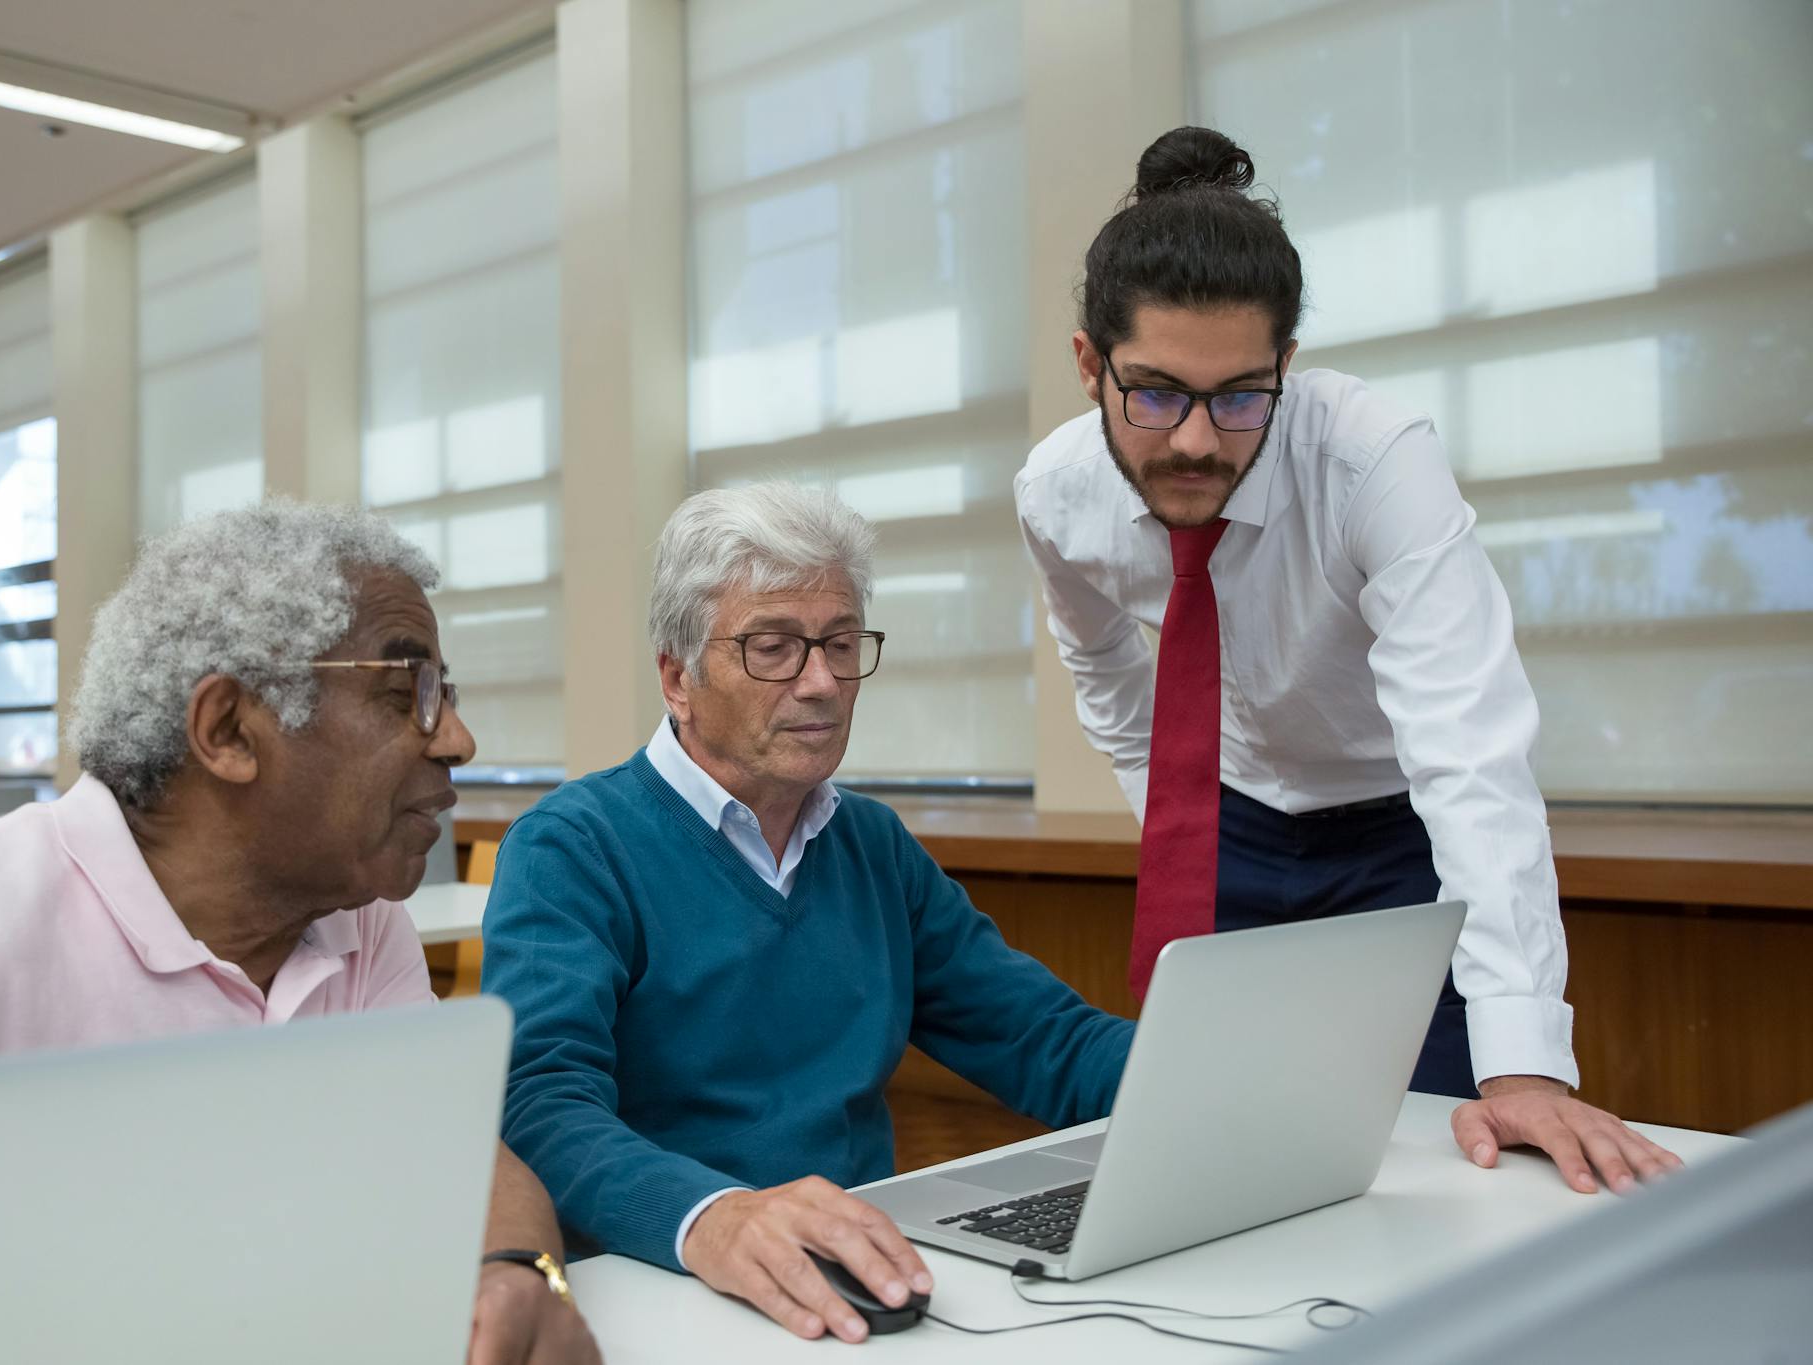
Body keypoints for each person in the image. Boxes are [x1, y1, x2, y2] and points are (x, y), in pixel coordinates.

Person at [0, 500, 599, 1365]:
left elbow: (462, 1156)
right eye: (406, 694)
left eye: (445, 696)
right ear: (229, 730)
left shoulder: (359, 919)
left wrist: (519, 1273)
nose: (456, 738)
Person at [1015, 125, 1680, 1195]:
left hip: (1398, 836)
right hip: (1223, 818)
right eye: (1152, 393)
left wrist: (1523, 1068)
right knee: (1220, 1155)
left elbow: (1467, 751)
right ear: (1089, 364)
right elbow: (1103, 673)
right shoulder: (1055, 493)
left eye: (1238, 395)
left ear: (1284, 363)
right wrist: (1177, 823)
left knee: (1441, 1159)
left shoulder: (1373, 461)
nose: (1194, 440)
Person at [480, 483, 1135, 1344]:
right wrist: (712, 1215)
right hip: (667, 1281)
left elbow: (1039, 1035)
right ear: (678, 675)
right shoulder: (572, 846)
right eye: (775, 648)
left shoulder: (871, 843)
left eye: (838, 643)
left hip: (860, 1271)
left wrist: (1205, 1081)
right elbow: (538, 1102)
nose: (822, 682)